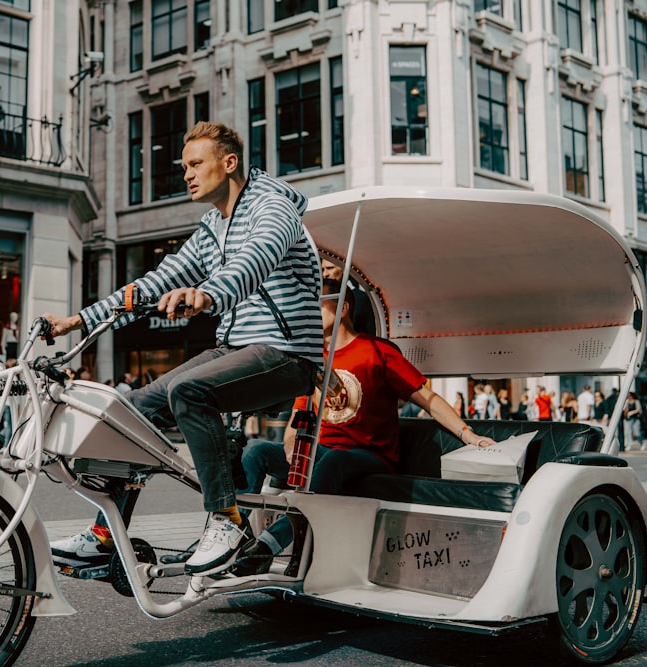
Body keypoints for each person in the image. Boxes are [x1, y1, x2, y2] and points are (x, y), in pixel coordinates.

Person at [44, 122, 322, 576]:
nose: (187, 175)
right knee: (129, 409)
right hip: (233, 351)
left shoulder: (274, 208)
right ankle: (103, 534)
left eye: (196, 164)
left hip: (287, 355)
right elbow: (157, 281)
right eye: (183, 167)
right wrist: (79, 319)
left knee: (190, 390)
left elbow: (255, 260)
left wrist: (208, 294)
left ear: (229, 163)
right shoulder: (213, 226)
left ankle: (227, 521)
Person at [232, 278, 496, 575]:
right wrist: (292, 443)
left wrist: (468, 434)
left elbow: (428, 398)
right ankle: (234, 536)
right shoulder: (312, 359)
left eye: (315, 306)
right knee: (255, 451)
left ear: (342, 308)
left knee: (335, 460)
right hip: (324, 453)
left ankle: (267, 545)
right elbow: (299, 414)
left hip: (370, 456)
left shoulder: (378, 352)